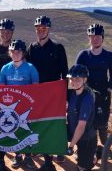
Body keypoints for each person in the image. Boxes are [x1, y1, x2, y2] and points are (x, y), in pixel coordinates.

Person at [26, 15, 69, 171]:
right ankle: (42, 150)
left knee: (55, 123)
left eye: (43, 28)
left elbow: (65, 74)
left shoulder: (58, 48)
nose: (41, 31)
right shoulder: (31, 48)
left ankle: (59, 150)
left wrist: (64, 96)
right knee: (38, 123)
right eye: (38, 28)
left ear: (49, 29)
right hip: (36, 94)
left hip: (54, 95)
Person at [0, 39, 39, 171]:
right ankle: (17, 155)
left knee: (26, 130)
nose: (15, 54)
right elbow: (1, 88)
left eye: (18, 52)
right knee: (13, 130)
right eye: (13, 51)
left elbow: (36, 88)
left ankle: (28, 156)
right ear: (9, 53)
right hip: (9, 107)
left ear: (23, 53)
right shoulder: (5, 68)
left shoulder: (31, 68)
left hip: (26, 107)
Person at [76, 23, 112, 159]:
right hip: (87, 95)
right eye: (92, 36)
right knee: (87, 123)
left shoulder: (109, 56)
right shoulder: (83, 55)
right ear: (89, 38)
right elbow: (77, 74)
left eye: (98, 36)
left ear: (102, 38)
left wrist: (109, 88)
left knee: (102, 124)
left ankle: (105, 149)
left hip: (103, 95)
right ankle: (87, 150)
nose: (95, 39)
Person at [66, 64, 97, 171]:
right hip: (77, 136)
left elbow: (81, 126)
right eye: (72, 79)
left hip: (86, 138)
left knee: (82, 167)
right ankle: (91, 156)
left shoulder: (86, 100)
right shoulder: (73, 93)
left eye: (77, 79)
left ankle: (93, 156)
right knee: (82, 158)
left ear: (85, 80)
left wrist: (71, 146)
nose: (74, 82)